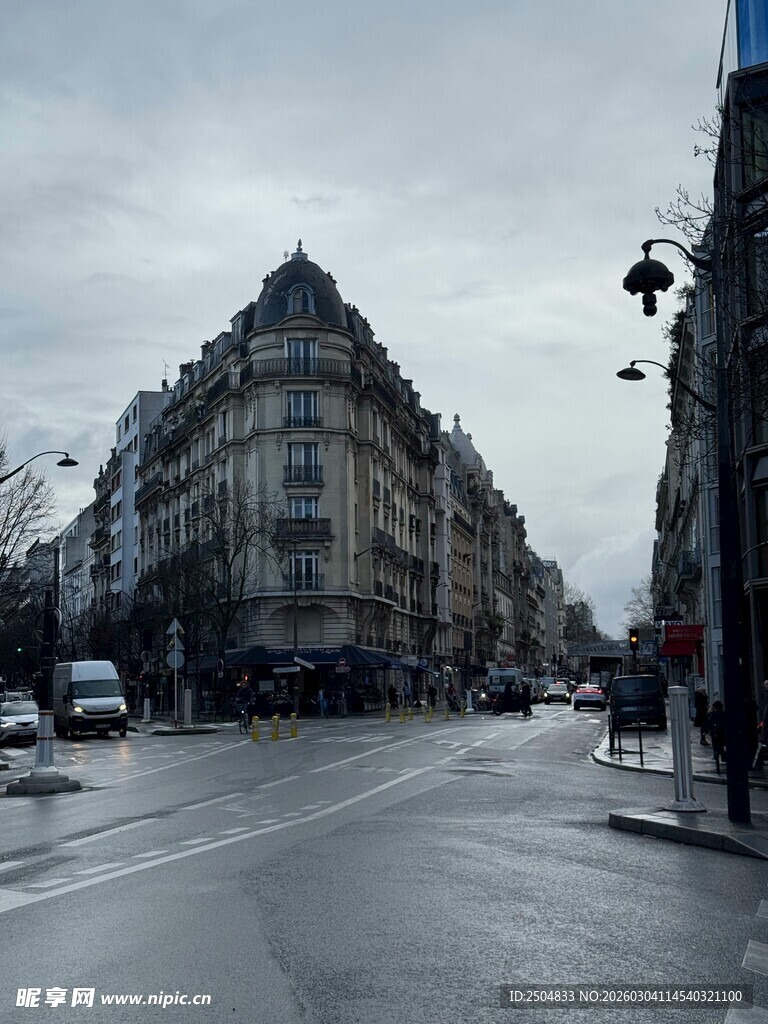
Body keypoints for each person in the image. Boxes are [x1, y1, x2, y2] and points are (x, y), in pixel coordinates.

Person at [707, 700, 727, 772]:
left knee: (716, 746)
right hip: (722, 733)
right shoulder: (723, 714)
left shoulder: (712, 714)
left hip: (715, 733)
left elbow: (709, 723)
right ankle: (723, 757)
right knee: (722, 746)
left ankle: (717, 757)